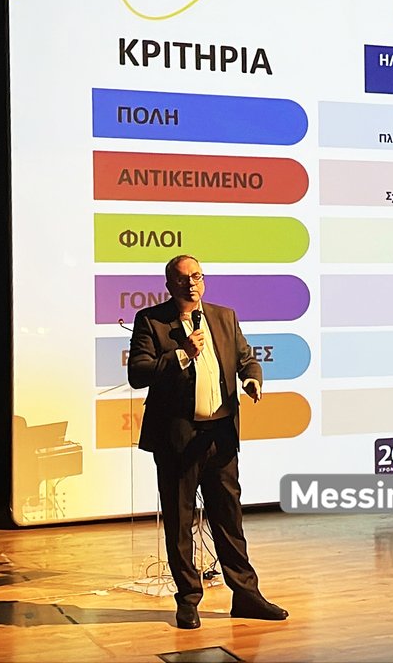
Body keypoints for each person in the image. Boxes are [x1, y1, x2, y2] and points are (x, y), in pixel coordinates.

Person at [127, 254, 288, 629]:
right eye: (183, 278)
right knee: (180, 523)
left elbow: (246, 359)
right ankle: (188, 600)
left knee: (229, 520)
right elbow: (138, 373)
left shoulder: (224, 316)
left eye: (197, 276)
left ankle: (246, 595)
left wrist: (252, 379)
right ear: (170, 285)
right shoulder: (151, 320)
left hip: (221, 437)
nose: (191, 284)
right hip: (178, 440)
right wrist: (182, 354)